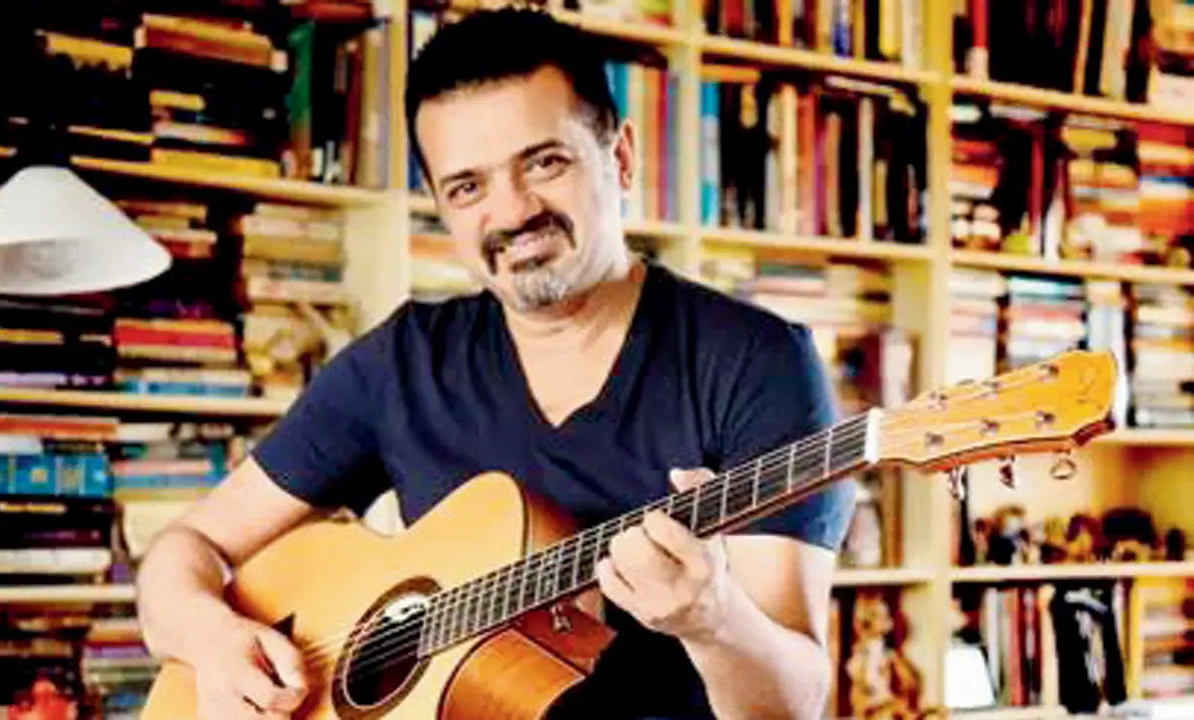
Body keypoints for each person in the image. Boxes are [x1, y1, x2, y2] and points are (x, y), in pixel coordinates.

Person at [135, 6, 856, 719]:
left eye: (544, 162)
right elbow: (185, 549)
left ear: (621, 158)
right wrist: (215, 640)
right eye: (468, 187)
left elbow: (793, 705)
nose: (511, 213)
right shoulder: (402, 363)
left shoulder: (758, 362)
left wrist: (716, 620)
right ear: (441, 208)